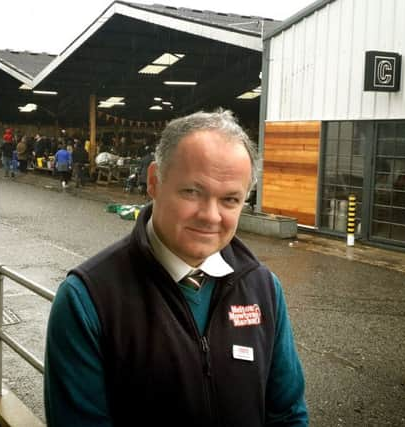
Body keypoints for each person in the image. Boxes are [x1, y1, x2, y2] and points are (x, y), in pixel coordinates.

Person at [44, 109, 308, 427]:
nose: (211, 216)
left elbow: (288, 413)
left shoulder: (263, 288)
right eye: (192, 192)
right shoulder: (88, 299)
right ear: (154, 181)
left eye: (230, 200)